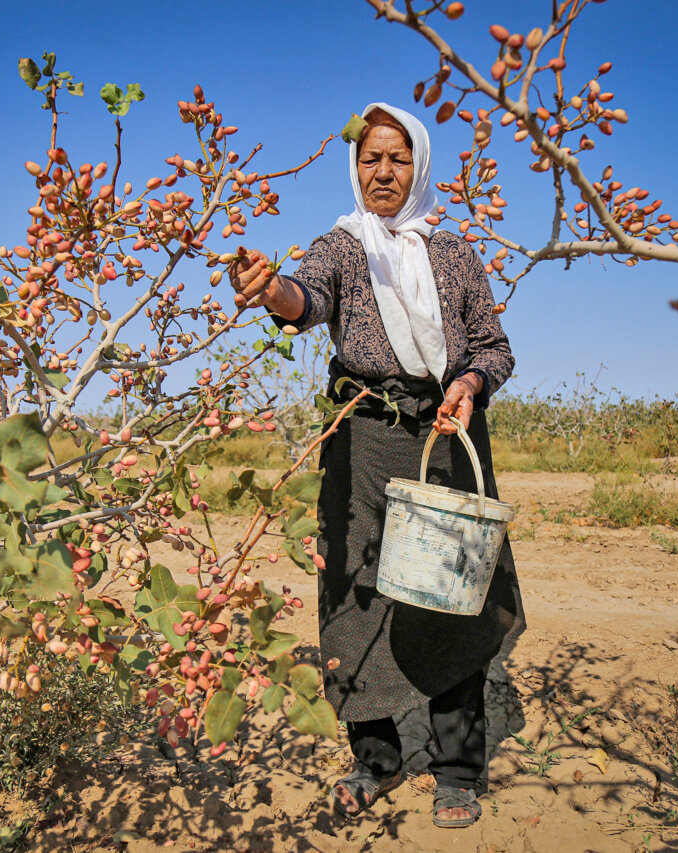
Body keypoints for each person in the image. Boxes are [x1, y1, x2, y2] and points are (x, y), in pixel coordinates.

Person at [229, 102, 524, 829]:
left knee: (452, 597)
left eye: (397, 158)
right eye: (370, 159)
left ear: (418, 166)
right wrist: (272, 290)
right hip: (361, 443)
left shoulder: (455, 256)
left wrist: (469, 383)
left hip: (446, 440)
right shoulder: (340, 245)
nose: (382, 172)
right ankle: (376, 758)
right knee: (356, 596)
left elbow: (494, 346)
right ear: (355, 167)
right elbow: (306, 298)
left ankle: (457, 768)